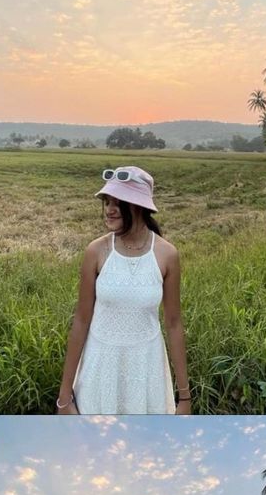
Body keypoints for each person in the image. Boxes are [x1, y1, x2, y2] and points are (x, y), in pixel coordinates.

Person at [56, 167, 190, 416]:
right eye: (107, 201)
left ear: (139, 206)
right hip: (100, 368)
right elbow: (81, 320)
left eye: (119, 203)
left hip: (146, 369)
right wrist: (64, 397)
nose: (109, 209)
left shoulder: (166, 254)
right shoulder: (96, 251)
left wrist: (185, 397)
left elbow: (173, 324)